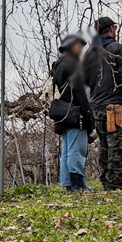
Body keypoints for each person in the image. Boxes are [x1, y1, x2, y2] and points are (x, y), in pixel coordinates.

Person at [83, 17, 122, 190]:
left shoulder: (89, 53)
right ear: (111, 28)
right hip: (115, 106)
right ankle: (115, 183)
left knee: (104, 145)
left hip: (96, 106)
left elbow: (86, 80)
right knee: (119, 145)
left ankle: (106, 180)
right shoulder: (118, 49)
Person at [50, 35, 94, 192]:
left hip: (62, 114)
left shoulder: (57, 65)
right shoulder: (73, 65)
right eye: (80, 47)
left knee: (67, 151)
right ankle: (78, 185)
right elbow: (80, 93)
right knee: (77, 150)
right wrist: (88, 115)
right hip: (75, 114)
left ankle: (69, 184)